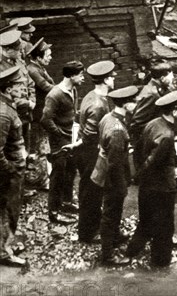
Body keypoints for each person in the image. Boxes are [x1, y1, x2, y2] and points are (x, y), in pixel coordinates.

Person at [126, 91, 177, 268]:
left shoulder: (153, 124)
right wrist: (138, 177)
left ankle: (131, 251)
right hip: (162, 188)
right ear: (174, 111)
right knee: (165, 227)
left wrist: (138, 177)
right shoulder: (167, 135)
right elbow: (153, 161)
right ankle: (160, 265)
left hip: (147, 186)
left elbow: (137, 151)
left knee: (145, 221)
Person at [92, 85, 139, 266]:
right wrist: (120, 185)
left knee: (112, 211)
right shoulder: (118, 129)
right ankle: (108, 255)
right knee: (111, 213)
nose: (135, 104)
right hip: (113, 177)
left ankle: (114, 236)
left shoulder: (107, 117)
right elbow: (115, 163)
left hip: (105, 170)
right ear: (126, 105)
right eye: (133, 102)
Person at [75, 61, 115, 243]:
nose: (114, 78)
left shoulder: (91, 96)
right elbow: (90, 135)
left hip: (86, 152)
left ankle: (91, 226)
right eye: (112, 76)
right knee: (91, 192)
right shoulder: (98, 105)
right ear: (106, 80)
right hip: (92, 154)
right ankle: (87, 233)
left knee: (89, 191)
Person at [41, 61, 85, 224]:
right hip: (59, 141)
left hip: (71, 137)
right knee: (58, 175)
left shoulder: (73, 89)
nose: (83, 78)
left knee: (70, 170)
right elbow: (45, 119)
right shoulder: (54, 95)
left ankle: (66, 202)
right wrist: (59, 134)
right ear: (72, 75)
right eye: (80, 75)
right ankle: (53, 212)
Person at [0, 66, 27, 267]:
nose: (24, 89)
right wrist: (10, 168)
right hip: (8, 172)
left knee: (11, 209)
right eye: (19, 86)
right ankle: (3, 252)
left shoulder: (8, 106)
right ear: (8, 89)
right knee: (7, 210)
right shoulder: (3, 113)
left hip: (14, 167)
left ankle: (7, 245)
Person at [129, 62, 174, 172]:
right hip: (145, 138)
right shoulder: (151, 94)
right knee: (146, 169)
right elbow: (137, 121)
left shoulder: (156, 88)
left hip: (150, 136)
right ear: (162, 78)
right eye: (171, 75)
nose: (173, 78)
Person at [0, 29, 36, 152]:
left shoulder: (18, 61)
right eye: (17, 50)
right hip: (12, 112)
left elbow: (29, 81)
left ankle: (26, 163)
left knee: (25, 139)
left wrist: (32, 99)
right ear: (7, 50)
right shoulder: (1, 67)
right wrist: (26, 103)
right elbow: (4, 93)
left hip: (26, 112)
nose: (21, 52)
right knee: (12, 145)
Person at [25, 38, 54, 190]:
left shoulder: (39, 68)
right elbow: (46, 86)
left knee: (43, 146)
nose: (50, 57)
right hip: (38, 115)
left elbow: (51, 83)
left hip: (44, 112)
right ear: (38, 57)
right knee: (40, 148)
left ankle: (41, 178)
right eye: (48, 55)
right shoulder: (33, 70)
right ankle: (40, 181)